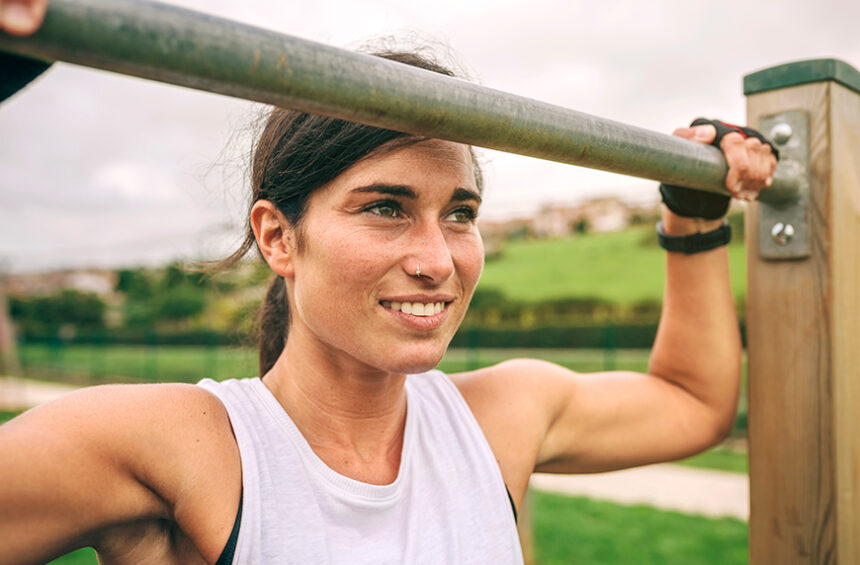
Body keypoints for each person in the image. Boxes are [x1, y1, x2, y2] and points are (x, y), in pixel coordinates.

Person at [0, 3, 778, 564]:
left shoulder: (499, 418)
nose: (438, 259)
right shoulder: (181, 447)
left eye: (460, 212)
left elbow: (691, 402)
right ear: (278, 237)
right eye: (386, 207)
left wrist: (693, 215)